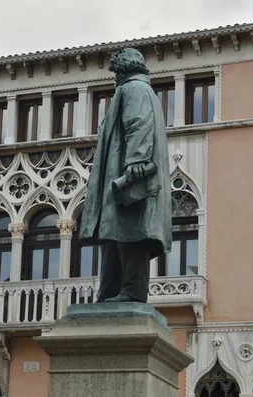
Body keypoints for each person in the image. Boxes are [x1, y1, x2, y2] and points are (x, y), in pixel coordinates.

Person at [79, 48, 171, 303]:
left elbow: (138, 122)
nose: (115, 78)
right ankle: (109, 290)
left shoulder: (134, 89)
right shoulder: (137, 89)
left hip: (131, 172)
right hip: (120, 171)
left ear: (123, 71)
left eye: (116, 72)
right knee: (113, 234)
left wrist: (136, 160)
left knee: (131, 231)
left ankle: (132, 290)